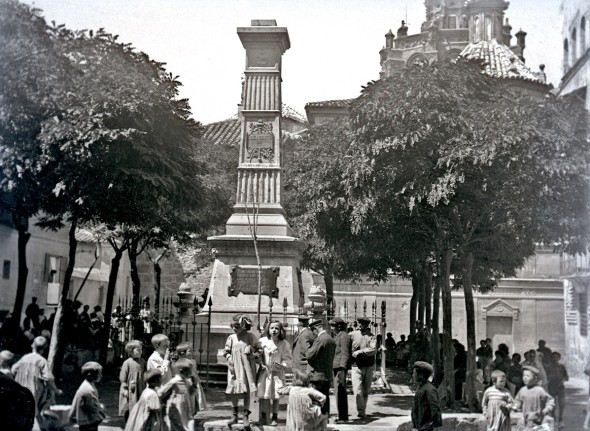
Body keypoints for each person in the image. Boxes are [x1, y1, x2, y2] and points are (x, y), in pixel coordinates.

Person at [11, 335, 62, 428]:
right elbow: (49, 378)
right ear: (43, 349)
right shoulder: (42, 361)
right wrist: (56, 390)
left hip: (21, 388)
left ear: (32, 346)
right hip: (34, 389)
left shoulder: (25, 357)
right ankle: (40, 422)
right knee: (34, 410)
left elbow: (13, 369)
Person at [223, 314, 262, 430]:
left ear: (245, 326)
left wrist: (253, 354)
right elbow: (226, 351)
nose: (235, 329)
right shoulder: (231, 338)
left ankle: (246, 416)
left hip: (247, 368)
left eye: (237, 326)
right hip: (234, 367)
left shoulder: (250, 337)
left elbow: (259, 350)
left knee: (247, 391)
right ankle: (234, 415)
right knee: (234, 390)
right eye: (233, 326)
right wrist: (229, 358)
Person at [257, 320, 292, 426]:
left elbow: (288, 358)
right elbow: (258, 354)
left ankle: (275, 417)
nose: (274, 330)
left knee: (276, 395)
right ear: (268, 329)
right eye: (272, 328)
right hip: (265, 371)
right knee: (264, 394)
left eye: (277, 328)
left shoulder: (284, 343)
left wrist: (283, 365)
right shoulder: (263, 341)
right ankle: (264, 417)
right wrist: (260, 361)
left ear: (281, 330)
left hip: (277, 373)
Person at [306, 318, 336, 419]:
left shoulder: (320, 339)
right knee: (325, 398)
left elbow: (310, 355)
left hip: (317, 375)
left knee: (316, 400)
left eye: (313, 331)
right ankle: (325, 420)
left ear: (315, 329)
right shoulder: (330, 339)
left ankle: (318, 422)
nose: (313, 334)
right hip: (326, 374)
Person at [350, 316, 377, 419]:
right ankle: (360, 410)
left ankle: (362, 410)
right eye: (360, 323)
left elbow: (373, 349)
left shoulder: (372, 336)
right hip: (356, 366)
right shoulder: (352, 335)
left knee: (366, 390)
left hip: (369, 366)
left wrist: (360, 352)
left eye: (364, 324)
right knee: (357, 390)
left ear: (367, 325)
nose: (361, 325)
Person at [514, 365, 555, 430]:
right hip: (526, 419)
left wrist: (548, 408)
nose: (525, 378)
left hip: (538, 420)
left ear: (535, 378)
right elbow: (518, 401)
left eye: (528, 376)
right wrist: (516, 406)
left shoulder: (539, 390)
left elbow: (550, 400)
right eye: (524, 375)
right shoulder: (522, 390)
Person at [69, 361, 106, 431]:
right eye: (99, 373)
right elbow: (93, 407)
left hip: (86, 420)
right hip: (88, 422)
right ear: (91, 375)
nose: (101, 375)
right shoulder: (88, 390)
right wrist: (100, 416)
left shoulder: (88, 385)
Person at [159, 358, 194, 431]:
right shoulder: (174, 381)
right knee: (178, 425)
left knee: (187, 423)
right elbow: (162, 392)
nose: (191, 373)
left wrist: (194, 385)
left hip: (186, 406)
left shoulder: (187, 381)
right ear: (182, 371)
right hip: (176, 407)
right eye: (189, 371)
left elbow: (191, 393)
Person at [176, 342, 207, 417]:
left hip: (194, 382)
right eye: (190, 351)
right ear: (183, 353)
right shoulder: (180, 363)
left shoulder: (193, 361)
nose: (192, 352)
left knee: (194, 399)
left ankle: (192, 413)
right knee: (188, 399)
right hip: (187, 384)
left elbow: (194, 373)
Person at [119, 339, 147, 422]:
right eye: (138, 350)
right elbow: (123, 377)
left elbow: (145, 373)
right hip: (131, 389)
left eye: (141, 349)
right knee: (130, 404)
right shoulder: (127, 363)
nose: (140, 351)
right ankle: (129, 422)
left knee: (140, 404)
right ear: (130, 352)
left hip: (141, 387)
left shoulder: (143, 361)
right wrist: (124, 388)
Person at [411, 361, 442, 431]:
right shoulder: (421, 388)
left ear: (421, 375)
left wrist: (427, 426)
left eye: (414, 373)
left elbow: (435, 410)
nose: (412, 375)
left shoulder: (429, 390)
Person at [330, 317, 351, 424]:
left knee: (341, 392)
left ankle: (343, 417)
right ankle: (341, 415)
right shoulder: (337, 336)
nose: (331, 327)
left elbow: (345, 353)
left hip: (340, 368)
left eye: (333, 325)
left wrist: (343, 367)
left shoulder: (344, 336)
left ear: (339, 326)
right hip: (336, 367)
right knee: (338, 392)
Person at [546, 351, 568, 429]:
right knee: (552, 404)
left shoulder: (562, 367)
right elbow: (546, 377)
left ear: (559, 358)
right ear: (551, 358)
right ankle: (554, 420)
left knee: (561, 404)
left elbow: (566, 377)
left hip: (560, 387)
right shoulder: (548, 367)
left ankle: (561, 420)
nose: (555, 359)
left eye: (557, 357)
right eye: (553, 357)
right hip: (551, 387)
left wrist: (562, 381)